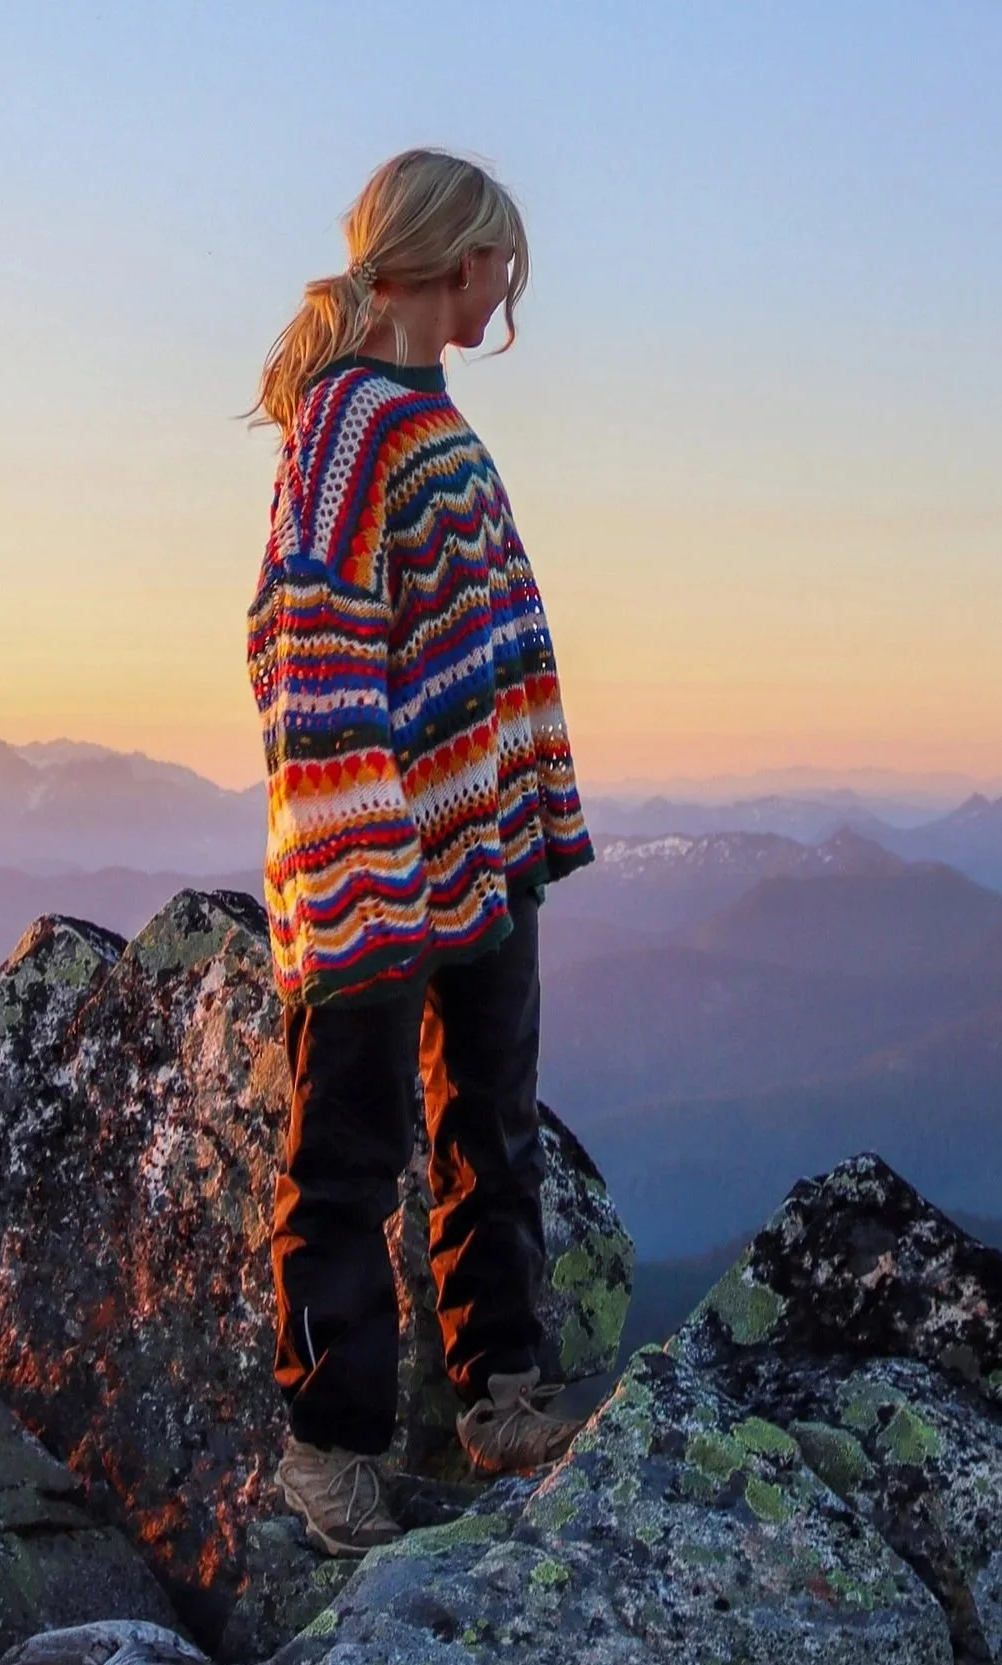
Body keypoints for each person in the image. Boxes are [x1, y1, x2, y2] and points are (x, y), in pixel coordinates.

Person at [244, 148, 595, 1557]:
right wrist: (359, 838)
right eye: (502, 262)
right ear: (456, 262)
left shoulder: (425, 412)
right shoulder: (345, 423)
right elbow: (303, 628)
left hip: (474, 841)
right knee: (348, 1157)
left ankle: (499, 1393)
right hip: (373, 855)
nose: (510, 286)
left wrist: (507, 801)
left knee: (489, 1119)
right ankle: (326, 1455)